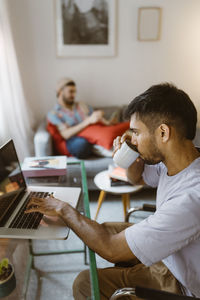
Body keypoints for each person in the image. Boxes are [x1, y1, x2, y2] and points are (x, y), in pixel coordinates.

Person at [27, 83, 200, 299]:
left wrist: (64, 209)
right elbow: (135, 177)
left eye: (136, 132)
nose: (132, 138)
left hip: (180, 282)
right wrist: (133, 153)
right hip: (172, 253)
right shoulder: (178, 161)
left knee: (85, 283)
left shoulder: (190, 198)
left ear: (163, 132)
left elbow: (110, 249)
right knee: (106, 228)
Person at [47, 78, 118, 158]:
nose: (74, 95)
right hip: (74, 139)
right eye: (70, 91)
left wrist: (108, 123)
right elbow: (65, 134)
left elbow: (95, 118)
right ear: (60, 91)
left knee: (107, 134)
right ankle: (103, 148)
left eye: (75, 92)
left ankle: (104, 148)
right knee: (81, 145)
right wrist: (87, 121)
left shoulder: (81, 105)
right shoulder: (54, 113)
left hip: (92, 133)